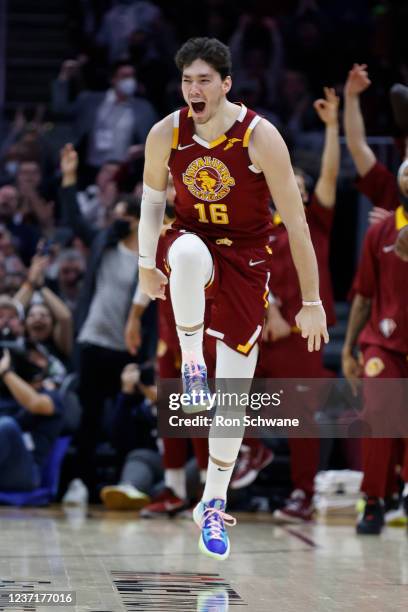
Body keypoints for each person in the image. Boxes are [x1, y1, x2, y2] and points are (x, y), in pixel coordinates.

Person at [137, 37, 328, 560]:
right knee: (192, 253)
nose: (193, 89)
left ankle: (213, 504)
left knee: (235, 398)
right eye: (186, 81)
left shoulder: (260, 137)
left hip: (248, 256)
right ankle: (194, 365)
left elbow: (296, 222)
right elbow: (153, 203)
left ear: (226, 84)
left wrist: (310, 299)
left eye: (203, 80)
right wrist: (145, 265)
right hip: (190, 239)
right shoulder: (166, 132)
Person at [59, 144, 153, 503]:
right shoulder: (105, 244)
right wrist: (69, 176)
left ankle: (118, 482)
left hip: (126, 349)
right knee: (88, 419)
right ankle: (81, 483)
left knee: (122, 422)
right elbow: (74, 219)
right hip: (92, 342)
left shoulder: (154, 254)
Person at [342, 203, 408, 534]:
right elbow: (364, 294)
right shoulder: (379, 232)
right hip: (384, 341)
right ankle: (372, 500)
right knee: (378, 412)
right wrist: (348, 348)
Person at [52, 60, 157, 180]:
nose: (129, 81)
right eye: (124, 76)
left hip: (124, 171)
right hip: (90, 168)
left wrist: (143, 148)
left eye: (132, 76)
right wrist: (64, 77)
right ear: (113, 79)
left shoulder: (144, 108)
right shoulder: (90, 101)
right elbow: (60, 109)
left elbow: (156, 139)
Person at [0, 346, 65, 492]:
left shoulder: (51, 395)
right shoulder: (7, 395)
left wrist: (5, 372)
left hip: (27, 472)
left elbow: (35, 404)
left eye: (39, 357)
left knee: (7, 426)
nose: (31, 360)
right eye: (29, 355)